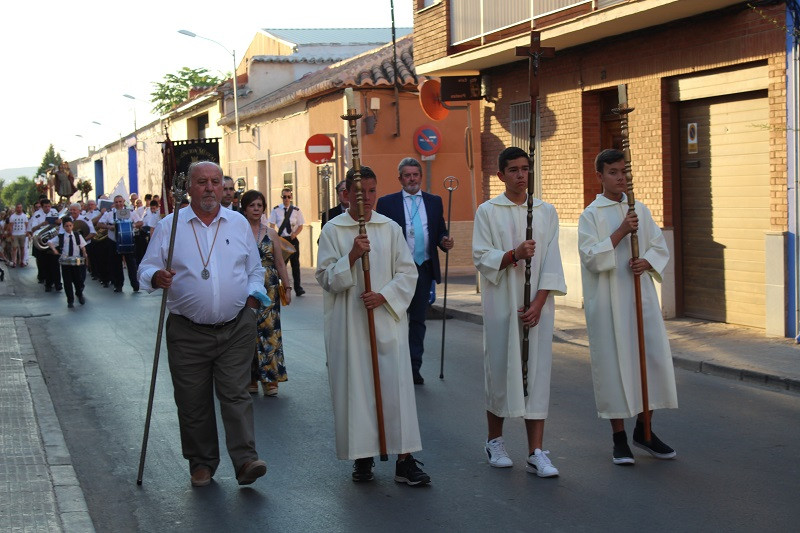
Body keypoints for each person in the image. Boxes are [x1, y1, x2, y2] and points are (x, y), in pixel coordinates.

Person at [138, 161, 269, 488]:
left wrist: (252, 302)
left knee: (236, 394)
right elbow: (144, 271)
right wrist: (156, 276)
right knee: (192, 400)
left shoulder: (238, 223)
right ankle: (201, 463)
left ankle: (245, 460)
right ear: (190, 187)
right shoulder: (170, 226)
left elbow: (255, 270)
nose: (210, 188)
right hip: (187, 331)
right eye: (202, 182)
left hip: (236, 326)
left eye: (215, 182)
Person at [316, 165, 430, 486]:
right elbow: (325, 278)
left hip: (385, 320)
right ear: (346, 195)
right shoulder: (333, 231)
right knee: (358, 389)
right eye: (358, 193)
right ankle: (362, 456)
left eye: (371, 192)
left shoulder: (390, 228)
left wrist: (383, 296)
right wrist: (351, 256)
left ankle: (404, 459)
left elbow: (407, 273)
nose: (366, 199)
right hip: (350, 325)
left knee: (395, 389)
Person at [578, 148, 678, 465]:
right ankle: (619, 438)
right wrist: (621, 231)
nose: (621, 178)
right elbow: (592, 258)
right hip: (608, 300)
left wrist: (647, 261)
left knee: (648, 359)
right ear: (600, 176)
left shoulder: (640, 210)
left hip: (640, 296)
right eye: (613, 172)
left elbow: (658, 246)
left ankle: (645, 431)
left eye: (624, 171)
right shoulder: (590, 215)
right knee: (613, 366)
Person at [472, 146, 567, 477]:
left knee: (537, 375)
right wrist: (514, 254)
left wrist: (540, 302)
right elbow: (482, 256)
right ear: (500, 175)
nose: (521, 174)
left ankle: (535, 451)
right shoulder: (488, 211)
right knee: (501, 369)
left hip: (537, 308)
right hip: (502, 304)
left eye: (525, 168)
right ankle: (494, 440)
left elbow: (553, 262)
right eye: (513, 169)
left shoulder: (545, 211)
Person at [375, 157, 453, 385]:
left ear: (420, 176)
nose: (412, 179)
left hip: (423, 268)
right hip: (398, 270)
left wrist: (444, 240)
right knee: (395, 316)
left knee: (418, 320)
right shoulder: (387, 203)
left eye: (415, 175)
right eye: (407, 175)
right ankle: (393, 364)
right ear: (400, 178)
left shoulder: (435, 201)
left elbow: (439, 231)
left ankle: (413, 367)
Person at [241, 190, 292, 397]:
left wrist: (287, 287)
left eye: (259, 205)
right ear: (244, 208)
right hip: (245, 286)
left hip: (270, 286)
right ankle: (251, 377)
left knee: (270, 331)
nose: (256, 209)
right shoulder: (238, 231)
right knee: (248, 332)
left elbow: (280, 262)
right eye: (252, 205)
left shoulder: (271, 233)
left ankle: (271, 379)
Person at [97, 195, 143, 293]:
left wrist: (132, 225)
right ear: (114, 203)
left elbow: (140, 222)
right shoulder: (109, 213)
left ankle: (135, 284)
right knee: (115, 264)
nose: (118, 204)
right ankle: (118, 285)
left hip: (128, 240)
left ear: (123, 202)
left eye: (120, 201)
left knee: (131, 264)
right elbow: (99, 224)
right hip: (113, 241)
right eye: (116, 202)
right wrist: (109, 227)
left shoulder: (130, 212)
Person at [268, 187, 305, 296]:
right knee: (281, 264)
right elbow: (271, 225)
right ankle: (281, 288)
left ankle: (298, 288)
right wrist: (275, 238)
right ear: (281, 197)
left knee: (295, 265)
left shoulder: (296, 210)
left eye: (289, 197)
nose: (286, 199)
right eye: (284, 197)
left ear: (291, 197)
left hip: (292, 239)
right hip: (281, 240)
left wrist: (295, 234)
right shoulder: (276, 210)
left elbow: (301, 225)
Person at [48, 217, 88, 308]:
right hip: (65, 260)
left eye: (70, 226)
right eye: (66, 226)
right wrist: (54, 249)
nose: (68, 228)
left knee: (78, 279)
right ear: (64, 227)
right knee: (67, 281)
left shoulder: (77, 235)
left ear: (73, 226)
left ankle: (79, 294)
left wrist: (85, 253)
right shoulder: (61, 237)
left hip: (76, 259)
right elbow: (50, 242)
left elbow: (82, 245)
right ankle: (70, 300)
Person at [8, 203, 30, 268]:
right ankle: (14, 261)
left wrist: (27, 232)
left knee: (22, 248)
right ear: (16, 208)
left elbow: (27, 225)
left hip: (22, 234)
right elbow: (10, 226)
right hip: (15, 234)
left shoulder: (24, 216)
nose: (19, 209)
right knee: (14, 248)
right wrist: (11, 234)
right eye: (18, 207)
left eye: (20, 207)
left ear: (22, 208)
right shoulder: (12, 216)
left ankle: (22, 261)